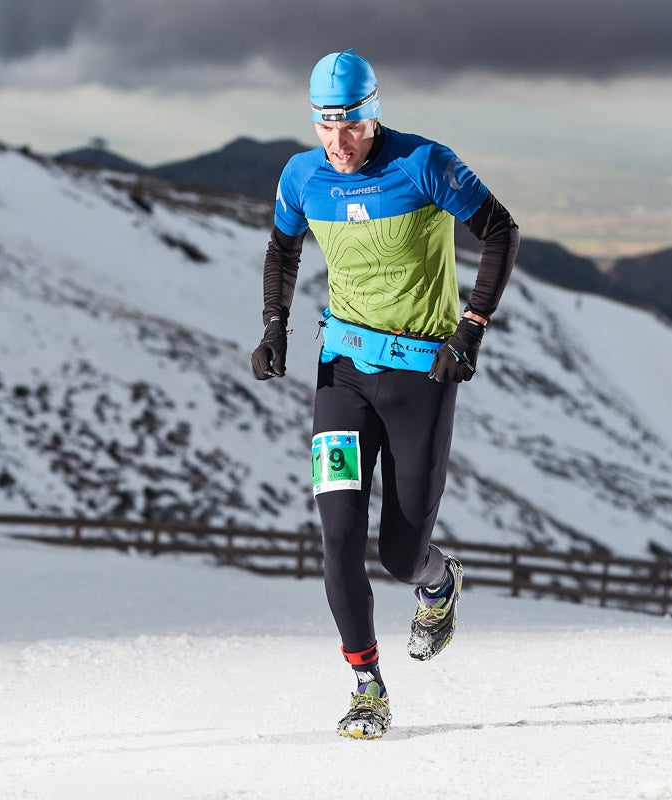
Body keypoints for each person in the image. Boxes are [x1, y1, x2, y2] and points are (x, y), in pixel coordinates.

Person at [250, 49, 519, 739]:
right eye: (324, 126)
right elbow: (283, 250)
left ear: (374, 116)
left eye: (350, 126)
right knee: (337, 537)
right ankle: (367, 685)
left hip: (421, 377)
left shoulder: (423, 165)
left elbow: (501, 230)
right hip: (341, 372)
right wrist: (274, 328)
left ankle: (436, 578)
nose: (336, 142)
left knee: (398, 555)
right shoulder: (302, 175)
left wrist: (472, 329)